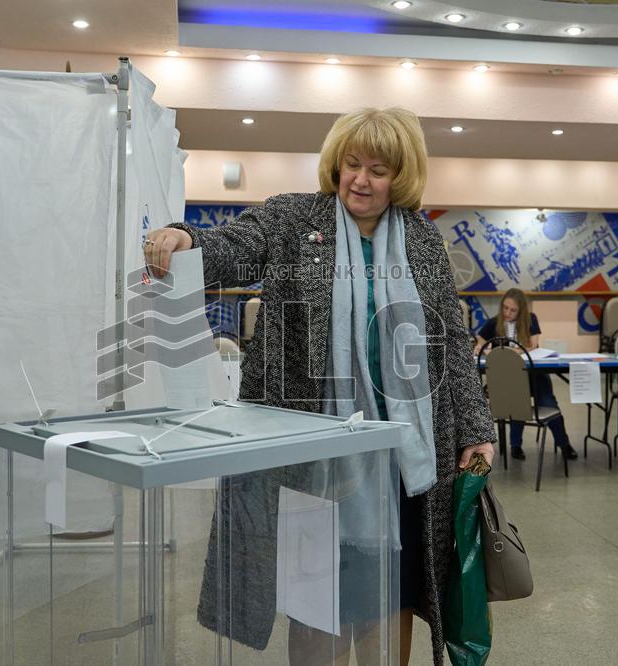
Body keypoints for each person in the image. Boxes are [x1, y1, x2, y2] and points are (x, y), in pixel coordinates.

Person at [144, 107, 496, 666]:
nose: (360, 179)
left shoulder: (423, 238)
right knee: (317, 599)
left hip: (404, 457)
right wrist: (186, 239)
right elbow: (234, 245)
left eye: (377, 169)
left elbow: (451, 338)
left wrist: (476, 427)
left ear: (399, 176)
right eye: (351, 164)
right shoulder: (293, 219)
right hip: (313, 455)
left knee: (395, 595)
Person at [473, 288, 578, 461]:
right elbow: (481, 345)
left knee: (549, 403)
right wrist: (480, 348)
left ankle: (564, 444)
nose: (507, 313)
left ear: (521, 310)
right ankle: (516, 446)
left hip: (535, 375)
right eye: (505, 308)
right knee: (517, 405)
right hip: (510, 377)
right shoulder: (493, 323)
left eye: (513, 310)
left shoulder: (531, 320)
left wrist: (503, 350)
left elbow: (533, 345)